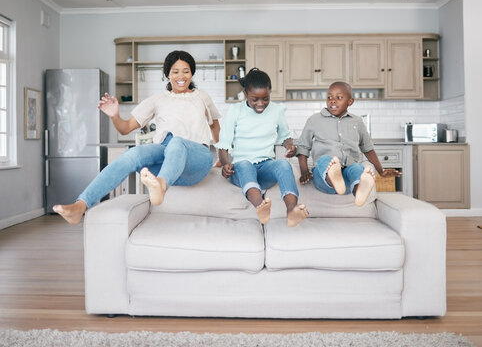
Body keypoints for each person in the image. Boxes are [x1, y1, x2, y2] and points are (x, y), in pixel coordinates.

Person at [54, 50, 221, 224]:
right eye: (175, 71)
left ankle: (160, 186)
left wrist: (222, 158)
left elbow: (215, 126)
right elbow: (125, 128)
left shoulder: (202, 97)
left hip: (197, 158)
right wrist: (114, 116)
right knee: (134, 154)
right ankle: (81, 205)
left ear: (192, 73)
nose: (181, 76)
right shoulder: (157, 100)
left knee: (177, 142)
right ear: (167, 74)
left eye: (186, 71)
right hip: (167, 154)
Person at [216, 68, 308, 227]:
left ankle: (292, 209)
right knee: (245, 165)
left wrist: (290, 146)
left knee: (283, 164)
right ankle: (260, 206)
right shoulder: (235, 110)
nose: (261, 104)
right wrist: (225, 164)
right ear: (245, 94)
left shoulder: (276, 110)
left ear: (270, 93)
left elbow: (285, 135)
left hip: (265, 167)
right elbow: (223, 145)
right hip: (241, 168)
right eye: (255, 99)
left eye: (265, 98)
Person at [296, 81, 401, 207]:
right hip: (323, 179)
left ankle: (359, 192)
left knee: (357, 168)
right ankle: (332, 176)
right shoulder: (315, 120)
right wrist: (304, 172)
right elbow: (303, 148)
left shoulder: (357, 121)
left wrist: (381, 170)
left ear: (350, 102)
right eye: (329, 97)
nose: (332, 101)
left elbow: (367, 148)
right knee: (326, 160)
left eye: (338, 98)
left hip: (347, 177)